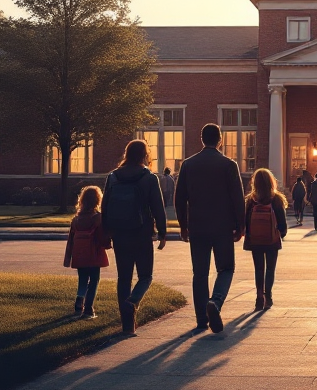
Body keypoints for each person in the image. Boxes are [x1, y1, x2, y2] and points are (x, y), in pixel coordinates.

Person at [174, 123, 246, 334]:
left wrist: (183, 225)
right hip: (222, 226)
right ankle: (215, 301)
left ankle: (201, 319)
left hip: (197, 226)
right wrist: (240, 225)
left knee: (200, 273)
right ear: (220, 140)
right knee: (226, 268)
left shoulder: (188, 165)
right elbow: (237, 198)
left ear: (202, 139)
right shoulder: (229, 165)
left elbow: (180, 199)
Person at [102, 139, 168, 335]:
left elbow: (105, 206)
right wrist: (162, 232)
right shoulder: (149, 178)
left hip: (119, 233)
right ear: (144, 155)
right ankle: (133, 301)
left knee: (124, 278)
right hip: (142, 232)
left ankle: (127, 326)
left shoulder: (113, 177)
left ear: (127, 154)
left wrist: (106, 232)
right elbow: (158, 207)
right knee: (145, 276)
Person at [243, 167, 288, 311]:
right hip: (271, 240)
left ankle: (258, 296)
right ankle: (268, 296)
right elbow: (282, 222)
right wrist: (281, 233)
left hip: (255, 240)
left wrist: (248, 234)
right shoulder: (276, 199)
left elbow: (246, 221)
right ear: (271, 182)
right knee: (270, 268)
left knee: (258, 268)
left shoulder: (251, 200)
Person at [63, 185, 111, 319]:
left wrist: (68, 258)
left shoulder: (76, 220)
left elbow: (70, 240)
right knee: (94, 280)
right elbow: (102, 237)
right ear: (97, 200)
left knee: (82, 279)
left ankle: (79, 303)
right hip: (94, 253)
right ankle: (88, 309)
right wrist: (108, 244)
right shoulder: (97, 218)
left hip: (79, 254)